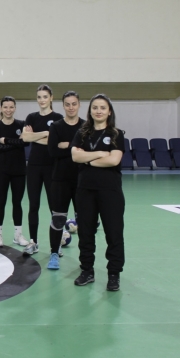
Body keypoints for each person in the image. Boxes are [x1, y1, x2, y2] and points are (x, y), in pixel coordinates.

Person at [71, 94, 126, 292]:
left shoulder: (117, 134)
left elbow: (114, 160)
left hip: (110, 191)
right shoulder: (82, 133)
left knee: (113, 233)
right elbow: (75, 156)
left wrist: (87, 159)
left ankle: (114, 274)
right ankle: (87, 270)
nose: (99, 111)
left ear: (109, 111)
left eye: (103, 107)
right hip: (85, 190)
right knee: (85, 233)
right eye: (95, 107)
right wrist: (100, 154)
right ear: (90, 111)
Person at [20, 84, 64, 255]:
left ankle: (57, 244)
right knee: (33, 205)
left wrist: (35, 136)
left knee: (54, 207)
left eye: (45, 97)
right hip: (34, 166)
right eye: (39, 97)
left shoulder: (58, 118)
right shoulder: (31, 117)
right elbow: (25, 137)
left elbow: (55, 142)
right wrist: (46, 133)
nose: (42, 100)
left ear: (51, 98)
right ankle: (33, 242)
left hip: (52, 167)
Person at [46, 91, 85, 270]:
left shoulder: (85, 127)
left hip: (81, 180)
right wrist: (75, 148)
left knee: (84, 220)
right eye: (67, 104)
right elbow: (52, 151)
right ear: (63, 105)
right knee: (58, 219)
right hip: (60, 180)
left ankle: (85, 258)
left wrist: (66, 145)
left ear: (79, 104)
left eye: (74, 104)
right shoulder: (56, 126)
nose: (71, 107)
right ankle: (54, 254)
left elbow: (87, 151)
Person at [0, 96, 29, 247]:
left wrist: (6, 140)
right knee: (1, 202)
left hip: (19, 170)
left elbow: (25, 142)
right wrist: (17, 142)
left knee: (17, 203)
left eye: (11, 107)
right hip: (2, 170)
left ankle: (18, 235)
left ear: (15, 108)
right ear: (1, 108)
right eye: (5, 107)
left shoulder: (22, 124)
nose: (8, 110)